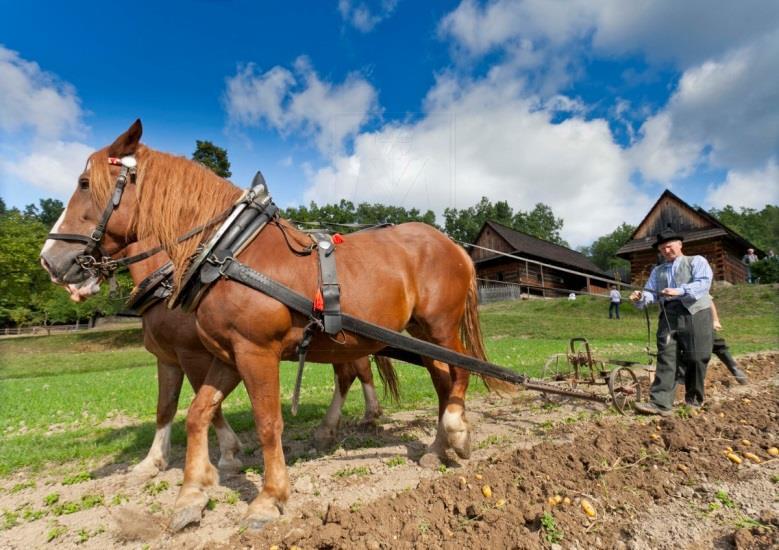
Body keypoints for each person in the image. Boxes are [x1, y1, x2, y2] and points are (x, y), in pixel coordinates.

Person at [629, 227, 713, 416]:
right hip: (669, 315)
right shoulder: (657, 271)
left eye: (669, 246)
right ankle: (660, 403)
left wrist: (680, 290)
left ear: (679, 244)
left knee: (696, 357)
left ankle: (693, 400)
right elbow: (650, 293)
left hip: (695, 312)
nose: (666, 251)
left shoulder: (696, 261)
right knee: (666, 356)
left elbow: (703, 283)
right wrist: (640, 296)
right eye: (662, 249)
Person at [710, 300, 748, 384]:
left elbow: (708, 300)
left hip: (700, 320)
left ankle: (734, 369)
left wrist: (715, 320)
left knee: (715, 344)